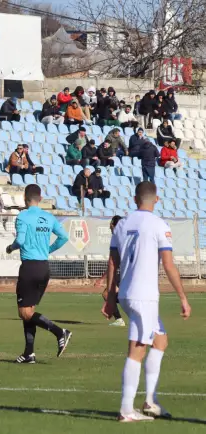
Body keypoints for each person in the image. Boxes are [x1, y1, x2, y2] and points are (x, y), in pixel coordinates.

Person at [103, 181, 191, 422]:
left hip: (127, 294)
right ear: (157, 200)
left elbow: (113, 262)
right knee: (138, 349)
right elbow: (169, 264)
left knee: (160, 341)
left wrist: (110, 297)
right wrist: (183, 297)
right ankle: (126, 410)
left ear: (134, 199)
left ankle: (150, 401)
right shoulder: (159, 225)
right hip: (144, 296)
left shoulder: (122, 224)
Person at [6, 184, 71, 364]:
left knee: (24, 312)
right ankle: (29, 353)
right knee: (29, 310)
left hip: (29, 267)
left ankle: (60, 332)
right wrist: (48, 249)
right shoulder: (48, 217)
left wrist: (11, 248)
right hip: (44, 267)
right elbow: (64, 237)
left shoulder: (23, 216)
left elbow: (20, 240)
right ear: (40, 199)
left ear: (24, 198)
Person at [94, 215, 126, 327]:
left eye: (110, 226)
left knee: (111, 294)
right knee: (107, 293)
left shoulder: (118, 236)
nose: (110, 229)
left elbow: (113, 262)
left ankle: (119, 318)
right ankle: (119, 318)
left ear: (114, 225)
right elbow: (112, 263)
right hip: (126, 272)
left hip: (126, 272)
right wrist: (102, 279)